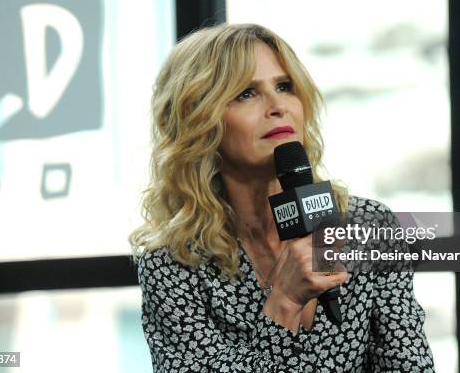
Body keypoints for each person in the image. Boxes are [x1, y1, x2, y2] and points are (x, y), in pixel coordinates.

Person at [129, 23, 434, 372]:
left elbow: (410, 365)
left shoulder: (368, 226)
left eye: (284, 86)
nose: (277, 106)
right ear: (200, 122)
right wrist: (285, 302)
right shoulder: (172, 262)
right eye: (246, 93)